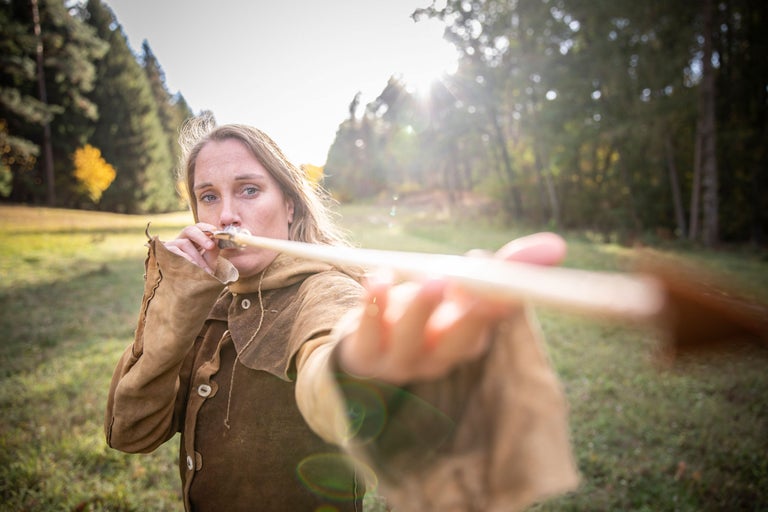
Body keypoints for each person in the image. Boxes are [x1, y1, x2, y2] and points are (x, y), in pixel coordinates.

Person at [104, 114, 579, 512]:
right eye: (208, 196)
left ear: (289, 205)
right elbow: (130, 433)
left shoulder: (323, 287)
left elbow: (328, 355)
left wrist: (352, 372)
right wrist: (178, 295)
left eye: (248, 190)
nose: (225, 214)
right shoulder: (203, 302)